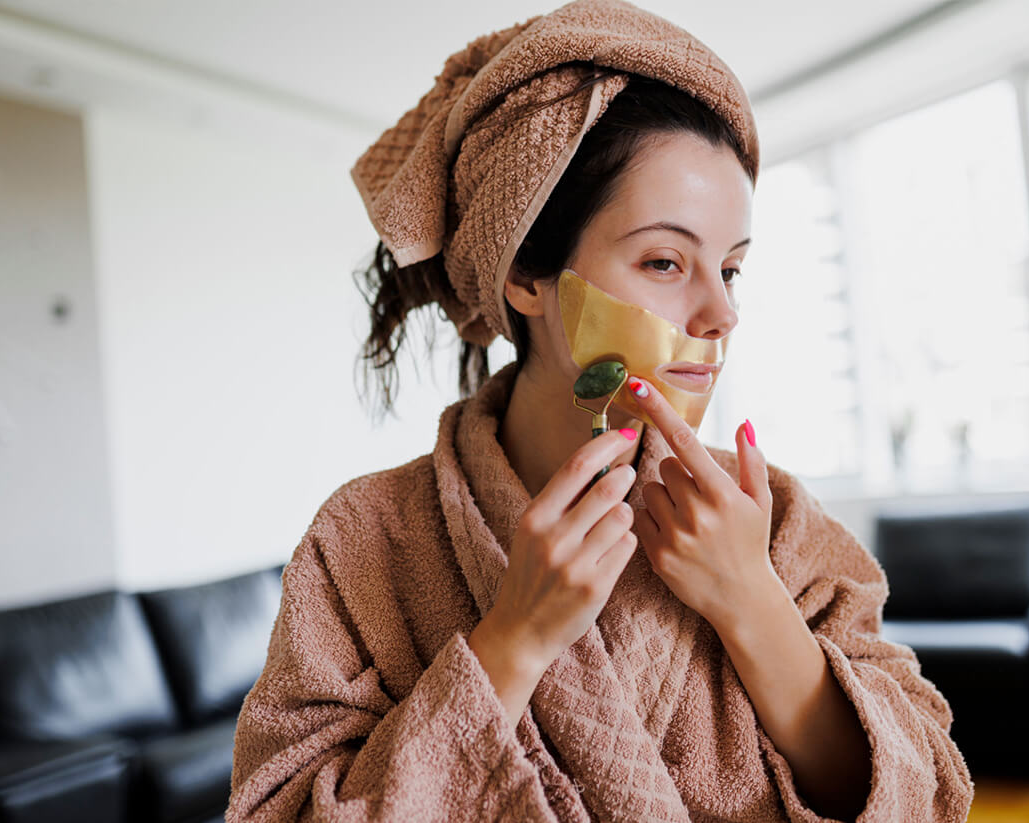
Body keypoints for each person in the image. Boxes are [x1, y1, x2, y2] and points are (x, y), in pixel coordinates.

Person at [227, 1, 975, 821]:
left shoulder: (777, 520)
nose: (721, 314)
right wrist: (511, 641)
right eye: (665, 261)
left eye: (730, 269)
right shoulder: (364, 542)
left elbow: (929, 793)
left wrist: (752, 602)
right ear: (526, 276)